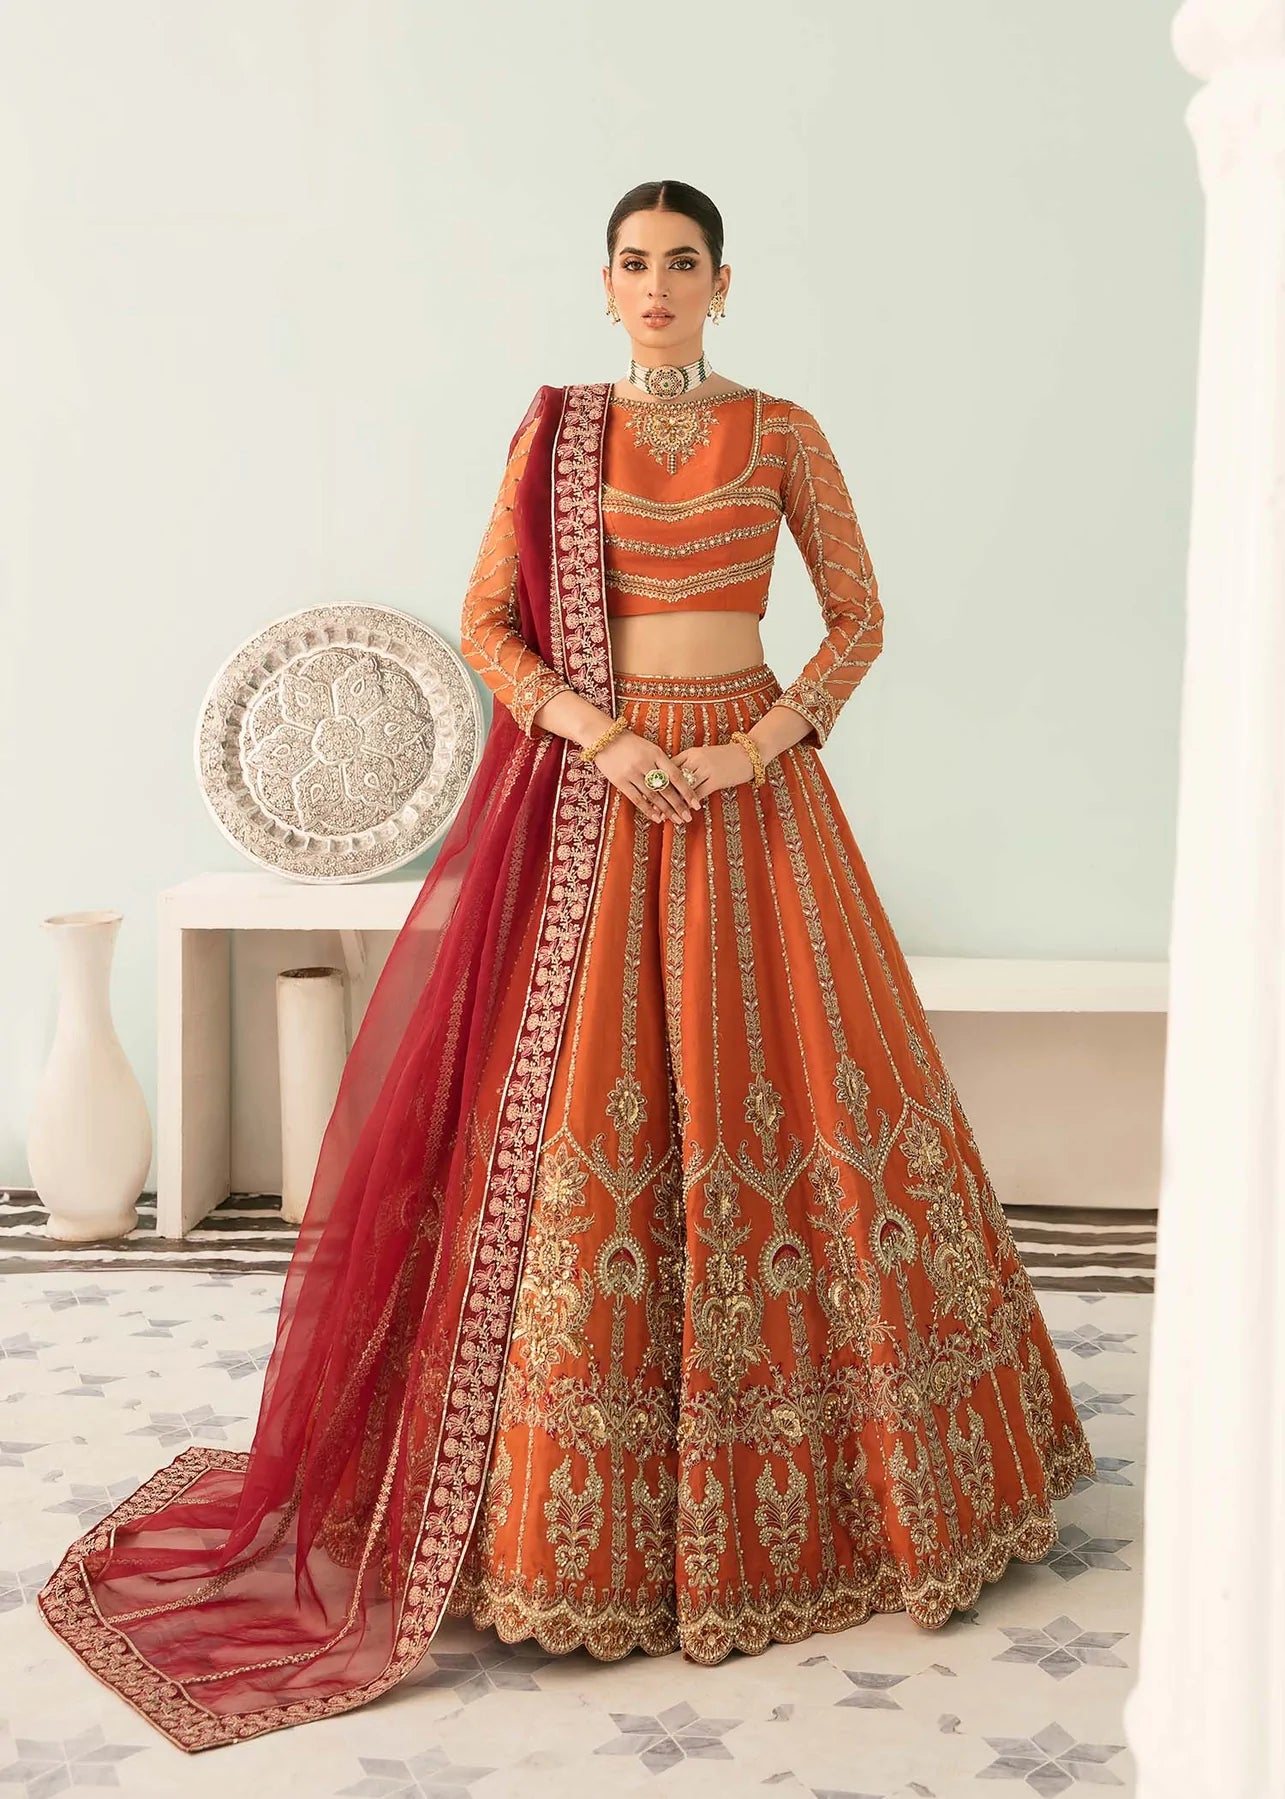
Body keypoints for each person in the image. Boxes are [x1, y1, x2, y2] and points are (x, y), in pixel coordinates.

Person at [37, 179, 1094, 1750]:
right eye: (633, 264)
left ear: (722, 283)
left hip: (751, 801)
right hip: (603, 802)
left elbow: (857, 620)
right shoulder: (557, 438)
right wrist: (600, 736)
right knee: (587, 1122)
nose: (656, 285)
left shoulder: (784, 433)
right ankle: (559, 1513)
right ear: (604, 286)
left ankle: (859, 1491)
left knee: (796, 1103)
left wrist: (752, 746)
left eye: (683, 263)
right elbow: (488, 626)